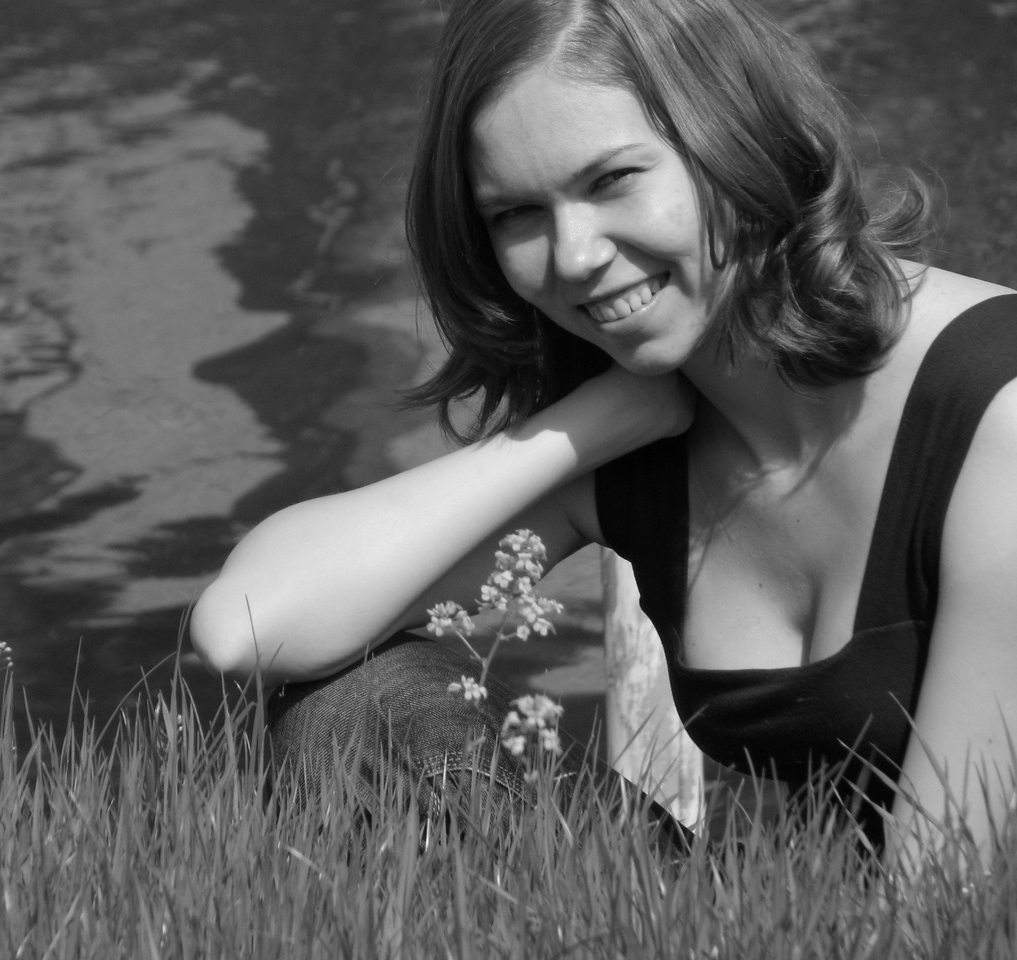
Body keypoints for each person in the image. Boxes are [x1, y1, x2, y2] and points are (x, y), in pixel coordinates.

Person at [190, 0, 1017, 864]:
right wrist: (592, 424)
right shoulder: (659, 418)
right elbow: (247, 627)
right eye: (516, 214)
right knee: (351, 708)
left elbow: (942, 892)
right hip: (820, 905)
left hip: (944, 907)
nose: (575, 255)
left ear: (737, 138)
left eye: (613, 179)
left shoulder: (998, 419)